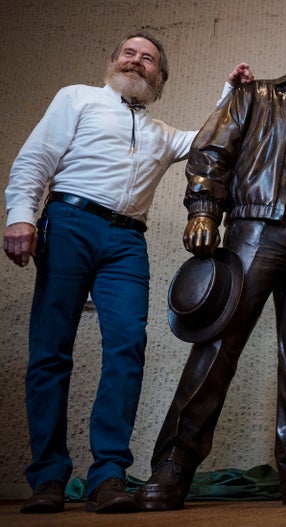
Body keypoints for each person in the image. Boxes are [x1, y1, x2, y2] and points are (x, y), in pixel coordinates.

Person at [3, 31, 253, 514]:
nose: (136, 62)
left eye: (149, 59)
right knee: (51, 351)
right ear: (114, 62)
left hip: (126, 241)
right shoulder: (77, 98)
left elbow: (207, 141)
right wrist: (21, 214)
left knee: (126, 348)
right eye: (129, 54)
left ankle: (108, 475)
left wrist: (230, 93)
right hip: (70, 221)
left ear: (159, 77)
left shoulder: (160, 132)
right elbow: (36, 159)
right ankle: (49, 478)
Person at [134, 16, 286, 510]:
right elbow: (210, 151)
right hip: (257, 226)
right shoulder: (257, 94)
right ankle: (174, 465)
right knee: (218, 346)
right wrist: (203, 209)